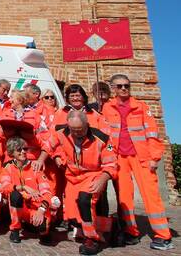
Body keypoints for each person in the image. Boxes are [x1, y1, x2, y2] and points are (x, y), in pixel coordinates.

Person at [101, 74, 173, 250]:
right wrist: (109, 158)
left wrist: (154, 158)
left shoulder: (141, 107)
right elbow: (106, 138)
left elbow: (153, 135)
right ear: (113, 88)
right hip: (120, 159)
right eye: (119, 86)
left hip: (142, 158)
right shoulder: (107, 108)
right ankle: (131, 232)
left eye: (126, 85)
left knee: (151, 196)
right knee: (124, 197)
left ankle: (163, 236)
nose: (124, 89)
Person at [44, 110, 117, 255]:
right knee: (74, 217)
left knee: (85, 200)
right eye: (74, 130)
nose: (77, 133)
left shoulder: (101, 138)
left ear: (87, 125)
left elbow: (111, 164)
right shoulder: (62, 132)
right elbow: (48, 145)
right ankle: (112, 227)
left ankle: (92, 239)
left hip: (93, 175)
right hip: (73, 177)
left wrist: (103, 180)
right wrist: (41, 160)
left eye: (80, 130)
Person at [0, 136, 57, 245]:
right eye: (19, 150)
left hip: (37, 207)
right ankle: (15, 229)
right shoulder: (8, 168)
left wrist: (41, 210)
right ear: (12, 153)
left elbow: (47, 192)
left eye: (25, 149)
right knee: (14, 195)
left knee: (42, 229)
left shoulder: (35, 168)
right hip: (22, 208)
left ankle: (41, 231)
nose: (23, 152)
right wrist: (23, 187)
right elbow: (4, 188)